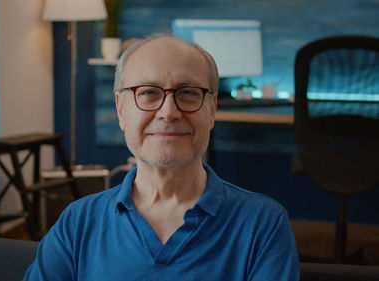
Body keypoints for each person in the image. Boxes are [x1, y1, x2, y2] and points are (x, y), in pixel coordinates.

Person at [23, 33, 300, 281]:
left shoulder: (263, 224)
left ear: (212, 109)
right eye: (148, 93)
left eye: (188, 93)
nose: (168, 112)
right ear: (121, 110)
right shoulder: (78, 223)